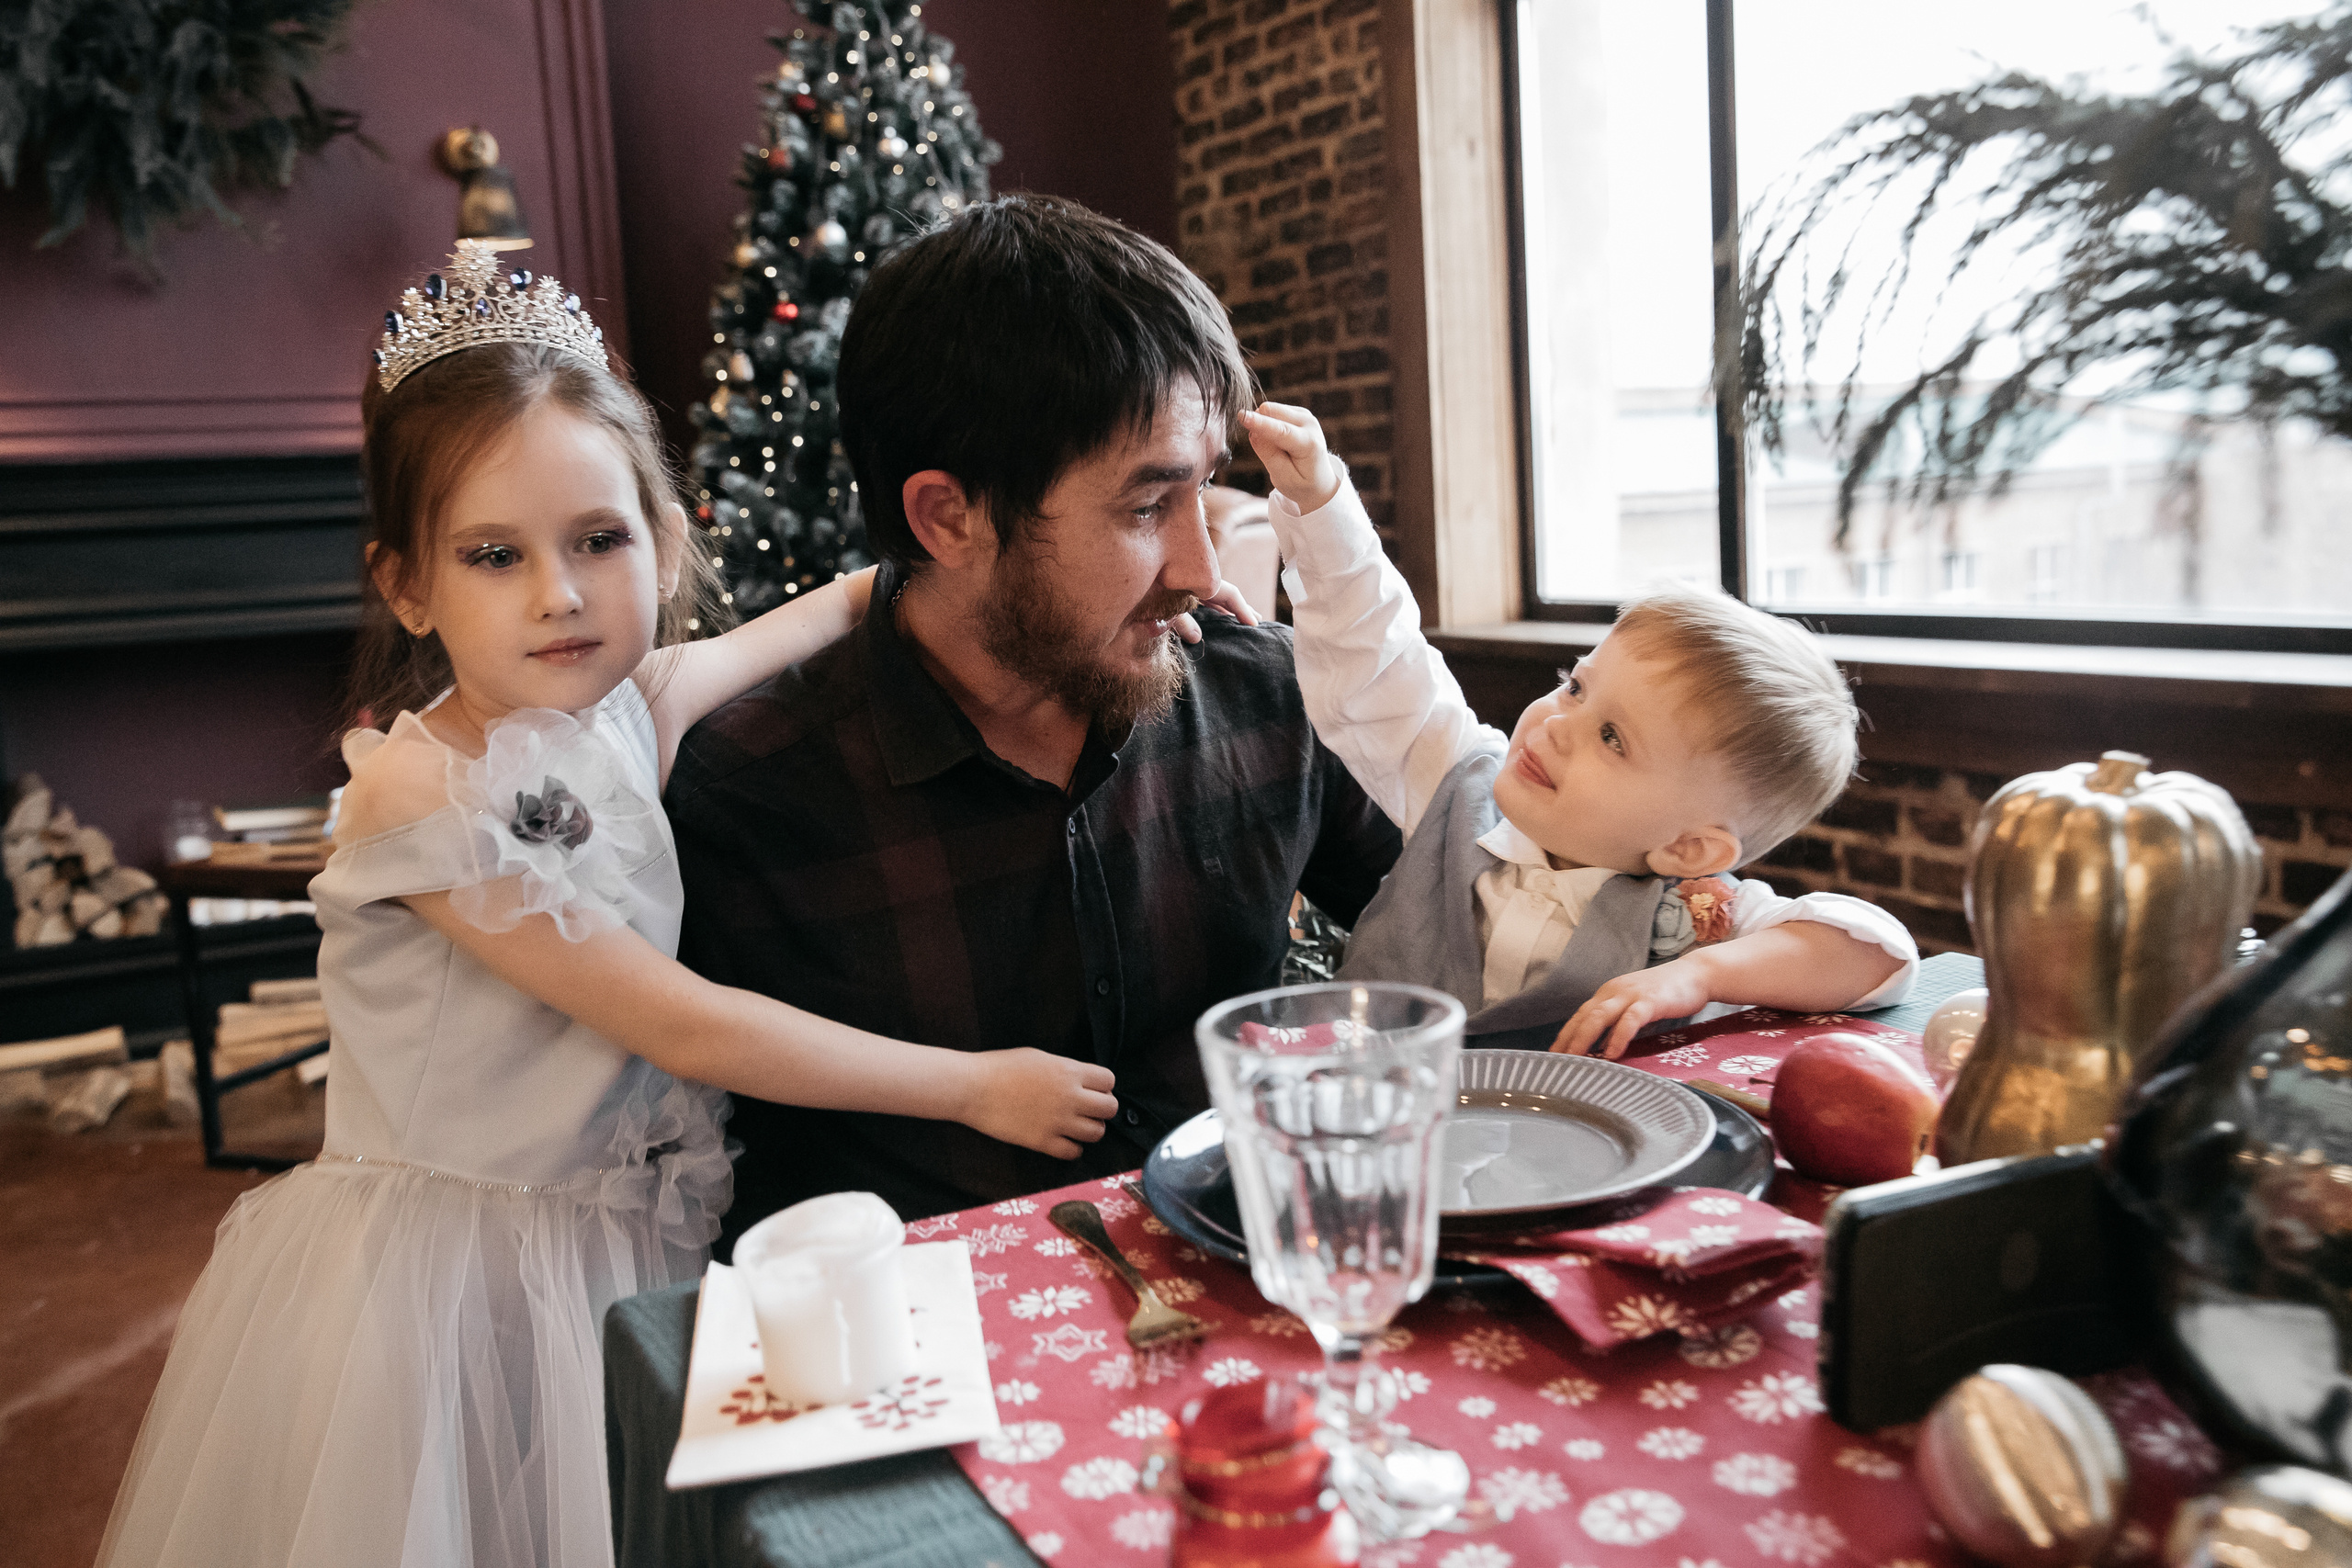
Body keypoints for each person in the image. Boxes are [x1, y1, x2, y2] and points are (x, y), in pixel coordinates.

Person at [96, 243, 1138, 1568]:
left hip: (620, 1241)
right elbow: (683, 1024)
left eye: (601, 538)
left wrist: (1017, 563)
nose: (562, 593)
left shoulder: (634, 707)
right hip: (454, 1274)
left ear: (666, 537)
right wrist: (972, 1083)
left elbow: (844, 602)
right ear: (408, 583)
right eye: (494, 555)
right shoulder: (422, 793)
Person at [666, 196, 1403, 1237]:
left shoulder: (1268, 697)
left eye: (1203, 494)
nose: (1201, 570)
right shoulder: (743, 793)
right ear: (948, 517)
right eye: (1147, 508)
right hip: (929, 1365)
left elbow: (1479, 915)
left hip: (1268, 1318)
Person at [1240, 400, 1917, 1057]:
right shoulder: (1458, 778)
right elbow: (1380, 655)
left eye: (1613, 738)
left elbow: (1876, 948)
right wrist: (1321, 502)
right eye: (1575, 685)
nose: (1560, 723)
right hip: (1373, 1134)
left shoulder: (1697, 916)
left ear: (1687, 848)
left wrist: (1697, 976)